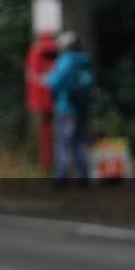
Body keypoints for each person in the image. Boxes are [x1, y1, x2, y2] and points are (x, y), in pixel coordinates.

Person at [44, 30, 93, 185]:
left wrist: (46, 78)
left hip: (65, 107)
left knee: (63, 143)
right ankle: (84, 175)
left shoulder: (66, 60)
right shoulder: (84, 60)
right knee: (80, 142)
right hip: (82, 108)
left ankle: (62, 177)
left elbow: (55, 81)